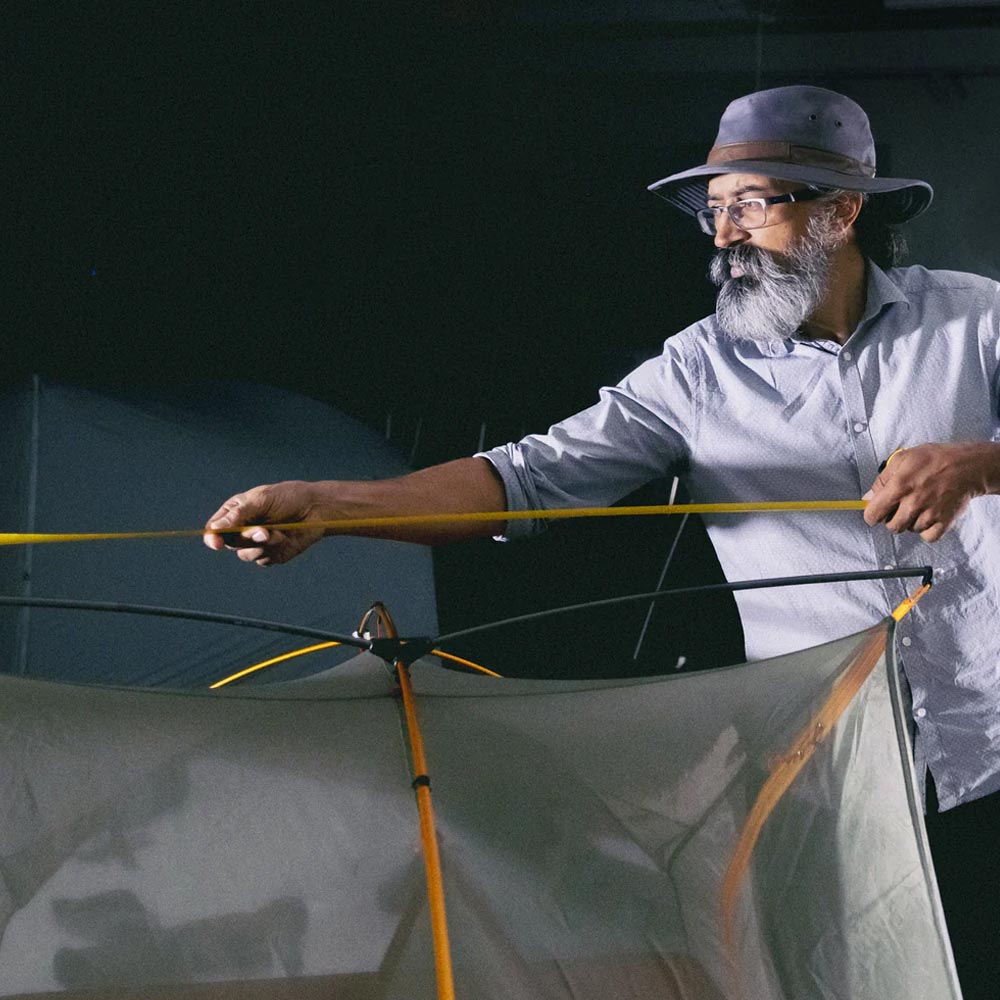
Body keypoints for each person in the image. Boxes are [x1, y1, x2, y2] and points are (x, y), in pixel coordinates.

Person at [204, 86, 1000, 995]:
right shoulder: (697, 369)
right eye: (712, 211)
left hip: (991, 752)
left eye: (749, 205)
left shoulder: (976, 320)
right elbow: (524, 479)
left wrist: (979, 464)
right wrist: (334, 505)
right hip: (822, 777)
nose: (724, 236)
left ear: (842, 210)